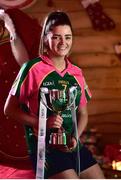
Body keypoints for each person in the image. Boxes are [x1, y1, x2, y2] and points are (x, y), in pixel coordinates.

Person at [4, 11, 105, 179]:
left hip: (73, 146)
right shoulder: (32, 68)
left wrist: (75, 137)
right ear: (46, 38)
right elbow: (9, 109)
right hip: (45, 148)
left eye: (68, 37)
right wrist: (42, 122)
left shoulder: (76, 73)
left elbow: (83, 114)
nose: (63, 43)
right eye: (57, 37)